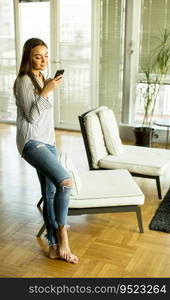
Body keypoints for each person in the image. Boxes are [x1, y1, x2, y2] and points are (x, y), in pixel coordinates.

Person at [13, 37, 79, 264]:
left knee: (50, 193)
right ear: (28, 58)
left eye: (46, 55)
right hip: (32, 143)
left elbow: (43, 117)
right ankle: (63, 235)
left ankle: (52, 247)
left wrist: (47, 86)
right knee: (66, 181)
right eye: (37, 56)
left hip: (47, 141)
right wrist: (47, 91)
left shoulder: (41, 78)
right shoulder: (23, 80)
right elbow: (31, 117)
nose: (43, 60)